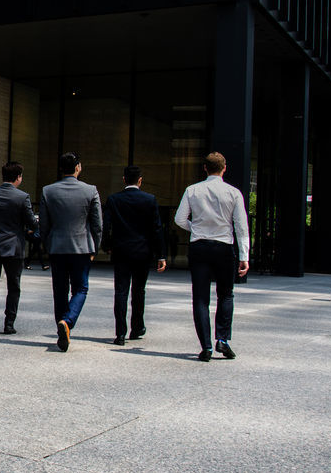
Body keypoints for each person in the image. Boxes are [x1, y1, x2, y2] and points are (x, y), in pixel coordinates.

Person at [174, 152, 250, 362]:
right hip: (224, 246)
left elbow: (179, 219)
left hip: (199, 246)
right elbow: (241, 227)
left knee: (200, 298)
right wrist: (244, 255)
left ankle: (205, 346)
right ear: (224, 168)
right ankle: (223, 339)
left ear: (205, 168)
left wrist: (195, 228)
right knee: (226, 294)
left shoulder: (193, 190)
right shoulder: (233, 193)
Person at [40, 152, 103, 352]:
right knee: (81, 289)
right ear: (78, 167)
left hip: (57, 247)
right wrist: (95, 246)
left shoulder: (48, 191)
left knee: (59, 290)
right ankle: (67, 322)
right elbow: (97, 224)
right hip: (82, 247)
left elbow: (44, 224)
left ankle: (62, 326)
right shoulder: (90, 190)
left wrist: (47, 245)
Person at [103, 165, 167, 345]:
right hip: (142, 252)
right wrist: (161, 255)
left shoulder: (114, 199)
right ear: (140, 180)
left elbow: (106, 225)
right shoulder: (150, 200)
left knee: (121, 291)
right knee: (139, 291)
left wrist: (107, 246)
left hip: (121, 251)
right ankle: (137, 327)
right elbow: (157, 229)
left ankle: (120, 333)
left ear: (124, 179)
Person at [0, 161, 38, 337]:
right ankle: (9, 324)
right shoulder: (22, 197)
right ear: (18, 177)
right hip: (13, 248)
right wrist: (32, 226)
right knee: (13, 286)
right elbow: (31, 222)